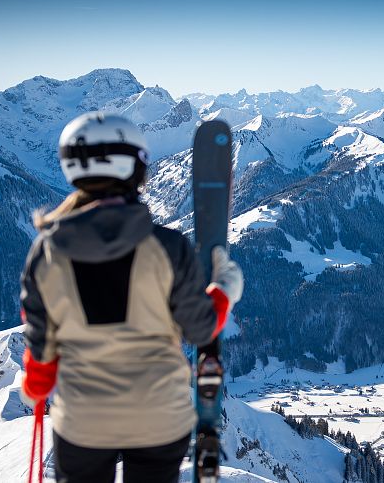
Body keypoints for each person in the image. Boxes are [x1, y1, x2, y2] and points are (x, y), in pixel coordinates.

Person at [19, 112, 242, 483]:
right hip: (158, 418)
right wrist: (223, 292)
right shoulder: (168, 247)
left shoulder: (46, 254)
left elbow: (41, 347)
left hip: (83, 422)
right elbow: (201, 328)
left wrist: (36, 387)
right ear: (138, 170)